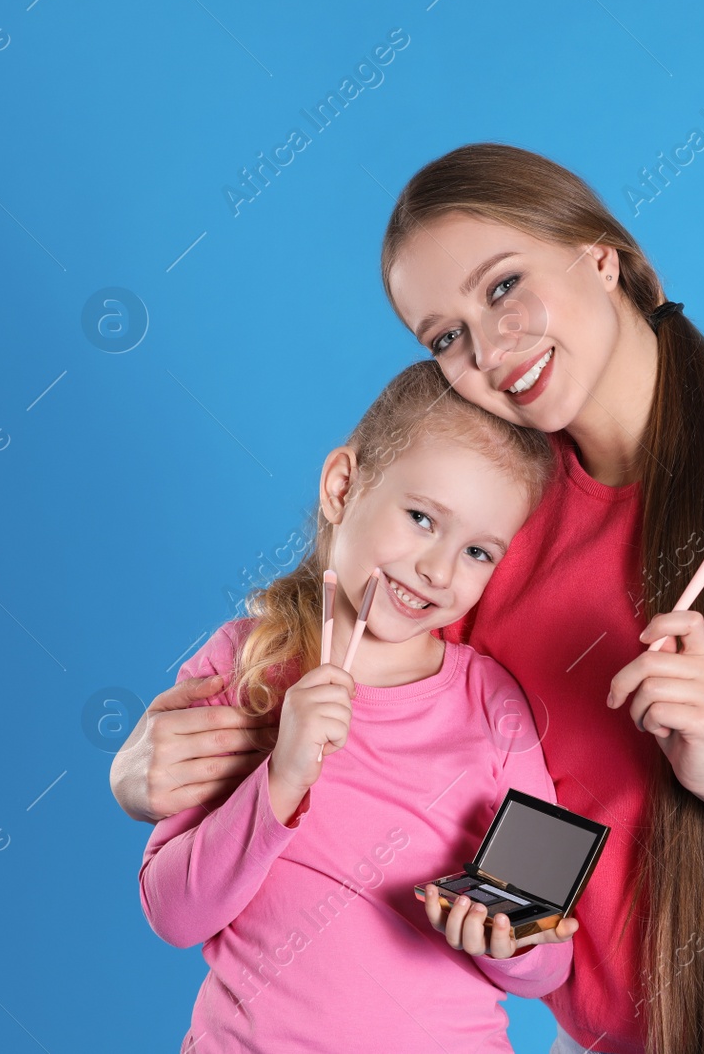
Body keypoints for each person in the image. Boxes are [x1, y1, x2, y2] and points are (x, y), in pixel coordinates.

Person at [115, 142, 704, 1054]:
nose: (488, 350)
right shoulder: (493, 524)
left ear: (601, 256)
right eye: (444, 336)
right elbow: (342, 665)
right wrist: (145, 772)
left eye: (501, 286)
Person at [138, 361, 577, 1052]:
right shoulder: (242, 661)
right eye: (421, 517)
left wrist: (508, 940)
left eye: (478, 551)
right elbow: (172, 912)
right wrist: (280, 778)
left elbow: (550, 956)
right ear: (343, 486)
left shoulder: (497, 706)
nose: (438, 569)